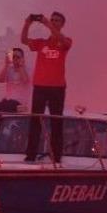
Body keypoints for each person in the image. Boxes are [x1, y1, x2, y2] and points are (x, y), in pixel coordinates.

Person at [21, 11, 72, 163]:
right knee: (36, 120)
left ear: (62, 24)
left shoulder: (65, 41)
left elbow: (63, 40)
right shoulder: (41, 43)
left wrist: (47, 23)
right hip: (40, 87)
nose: (54, 22)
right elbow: (23, 40)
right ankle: (31, 155)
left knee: (56, 122)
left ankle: (56, 157)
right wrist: (27, 23)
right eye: (52, 20)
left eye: (57, 20)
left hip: (57, 88)